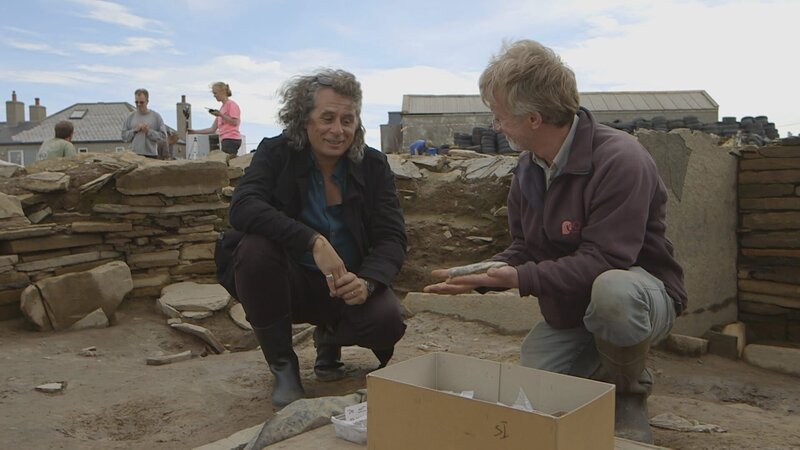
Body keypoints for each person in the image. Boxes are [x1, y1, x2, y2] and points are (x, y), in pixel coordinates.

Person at [423, 40, 686, 444]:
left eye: (498, 116)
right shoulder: (528, 169)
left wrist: (518, 279)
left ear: (532, 118)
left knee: (613, 292)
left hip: (640, 295)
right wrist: (478, 275)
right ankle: (606, 367)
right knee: (532, 387)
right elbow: (524, 249)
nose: (495, 127)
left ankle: (629, 394)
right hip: (572, 306)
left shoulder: (620, 159)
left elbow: (606, 260)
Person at [228, 69, 407, 408]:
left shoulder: (373, 165)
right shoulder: (276, 153)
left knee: (387, 323)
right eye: (327, 118)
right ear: (304, 119)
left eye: (347, 119)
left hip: (346, 284)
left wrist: (368, 282)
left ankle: (330, 339)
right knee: (254, 251)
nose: (337, 130)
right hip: (289, 281)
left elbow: (392, 236)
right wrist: (313, 241)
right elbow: (243, 207)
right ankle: (283, 366)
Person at [187, 82, 242, 157]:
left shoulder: (231, 105)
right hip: (225, 139)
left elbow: (235, 122)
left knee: (228, 162)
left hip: (231, 138)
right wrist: (194, 132)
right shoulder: (222, 108)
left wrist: (220, 115)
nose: (214, 96)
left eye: (215, 93)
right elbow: (212, 129)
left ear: (222, 91)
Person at [121, 88, 166, 159]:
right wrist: (135, 130)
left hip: (151, 156)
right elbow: (124, 137)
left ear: (147, 102)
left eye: (141, 102)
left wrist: (148, 131)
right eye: (136, 102)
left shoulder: (156, 116)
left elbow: (163, 137)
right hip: (133, 156)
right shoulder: (130, 117)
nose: (138, 104)